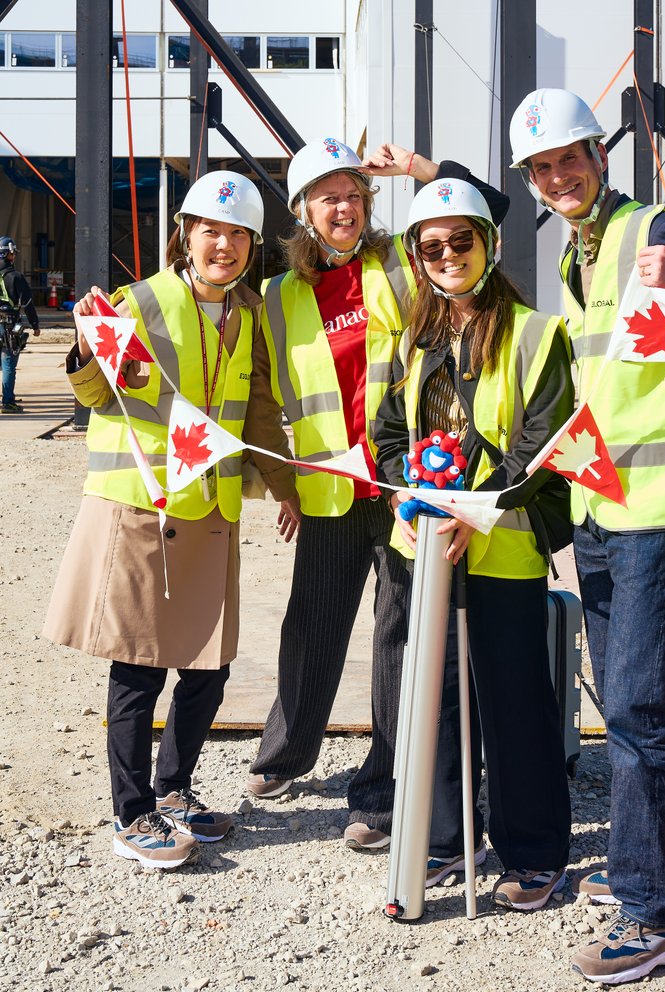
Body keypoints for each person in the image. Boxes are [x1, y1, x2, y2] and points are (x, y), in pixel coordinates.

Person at [509, 88, 665, 981]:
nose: (558, 177)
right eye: (542, 168)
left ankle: (655, 916)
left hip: (659, 509)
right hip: (601, 509)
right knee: (640, 701)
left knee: (632, 708)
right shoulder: (576, 253)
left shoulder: (659, 230)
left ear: (600, 155)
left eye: (569, 158)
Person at [246, 137, 507, 854]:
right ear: (303, 212)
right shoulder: (278, 295)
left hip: (406, 484)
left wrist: (423, 169)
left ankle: (383, 793)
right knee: (312, 624)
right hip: (330, 487)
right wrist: (282, 485)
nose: (345, 208)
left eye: (355, 195)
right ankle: (286, 753)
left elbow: (486, 212)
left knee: (398, 634)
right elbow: (264, 398)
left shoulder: (400, 262)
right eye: (329, 197)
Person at [44, 171, 299, 870]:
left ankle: (174, 789)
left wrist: (284, 489)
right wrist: (85, 347)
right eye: (211, 231)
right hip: (142, 506)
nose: (224, 245)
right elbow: (98, 395)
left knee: (209, 665)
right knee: (139, 668)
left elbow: (255, 409)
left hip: (210, 509)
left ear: (252, 245)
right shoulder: (139, 301)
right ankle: (131, 815)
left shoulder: (248, 313)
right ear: (186, 234)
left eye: (238, 234)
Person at [374, 175, 574, 911]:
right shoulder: (410, 341)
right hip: (425, 549)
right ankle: (446, 837)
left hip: (502, 544)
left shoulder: (536, 334)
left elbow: (542, 443)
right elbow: (387, 436)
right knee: (436, 700)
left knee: (513, 700)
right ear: (416, 257)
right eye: (432, 247)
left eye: (462, 240)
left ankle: (534, 849)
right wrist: (411, 501)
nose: (448, 256)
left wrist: (475, 510)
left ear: (488, 244)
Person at [0, 235, 40, 414]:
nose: (14, 256)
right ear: (8, 254)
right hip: (9, 325)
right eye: (13, 253)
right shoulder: (16, 277)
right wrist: (35, 324)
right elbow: (27, 304)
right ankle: (8, 402)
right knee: (8, 363)